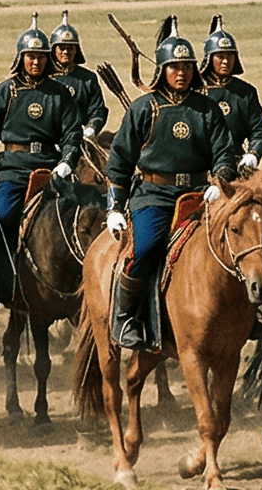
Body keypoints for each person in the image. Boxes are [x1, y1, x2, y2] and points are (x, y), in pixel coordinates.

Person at [102, 23, 238, 349]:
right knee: (147, 247)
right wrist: (114, 207)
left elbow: (224, 153)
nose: (182, 73)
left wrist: (219, 181)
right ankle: (126, 317)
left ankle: (245, 313)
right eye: (175, 67)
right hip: (154, 196)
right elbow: (119, 162)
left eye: (187, 67)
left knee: (237, 241)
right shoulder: (143, 108)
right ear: (162, 70)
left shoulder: (207, 109)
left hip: (199, 195)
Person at [0, 21, 86, 309]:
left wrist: (66, 163)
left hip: (51, 169)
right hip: (13, 169)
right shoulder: (4, 93)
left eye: (42, 56)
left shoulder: (59, 94)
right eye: (31, 56)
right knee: (1, 218)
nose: (36, 61)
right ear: (20, 58)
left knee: (80, 220)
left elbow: (72, 134)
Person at [199, 16, 262, 171]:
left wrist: (253, 154)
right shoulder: (195, 90)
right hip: (199, 167)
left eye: (230, 55)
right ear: (209, 58)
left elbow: (259, 131)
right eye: (220, 56)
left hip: (236, 164)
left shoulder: (245, 92)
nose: (225, 61)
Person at [47, 11, 108, 137]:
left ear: (76, 50)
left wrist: (91, 129)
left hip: (79, 138)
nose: (66, 51)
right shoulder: (43, 78)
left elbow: (97, 110)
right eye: (62, 47)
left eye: (70, 47)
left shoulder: (87, 79)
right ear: (53, 50)